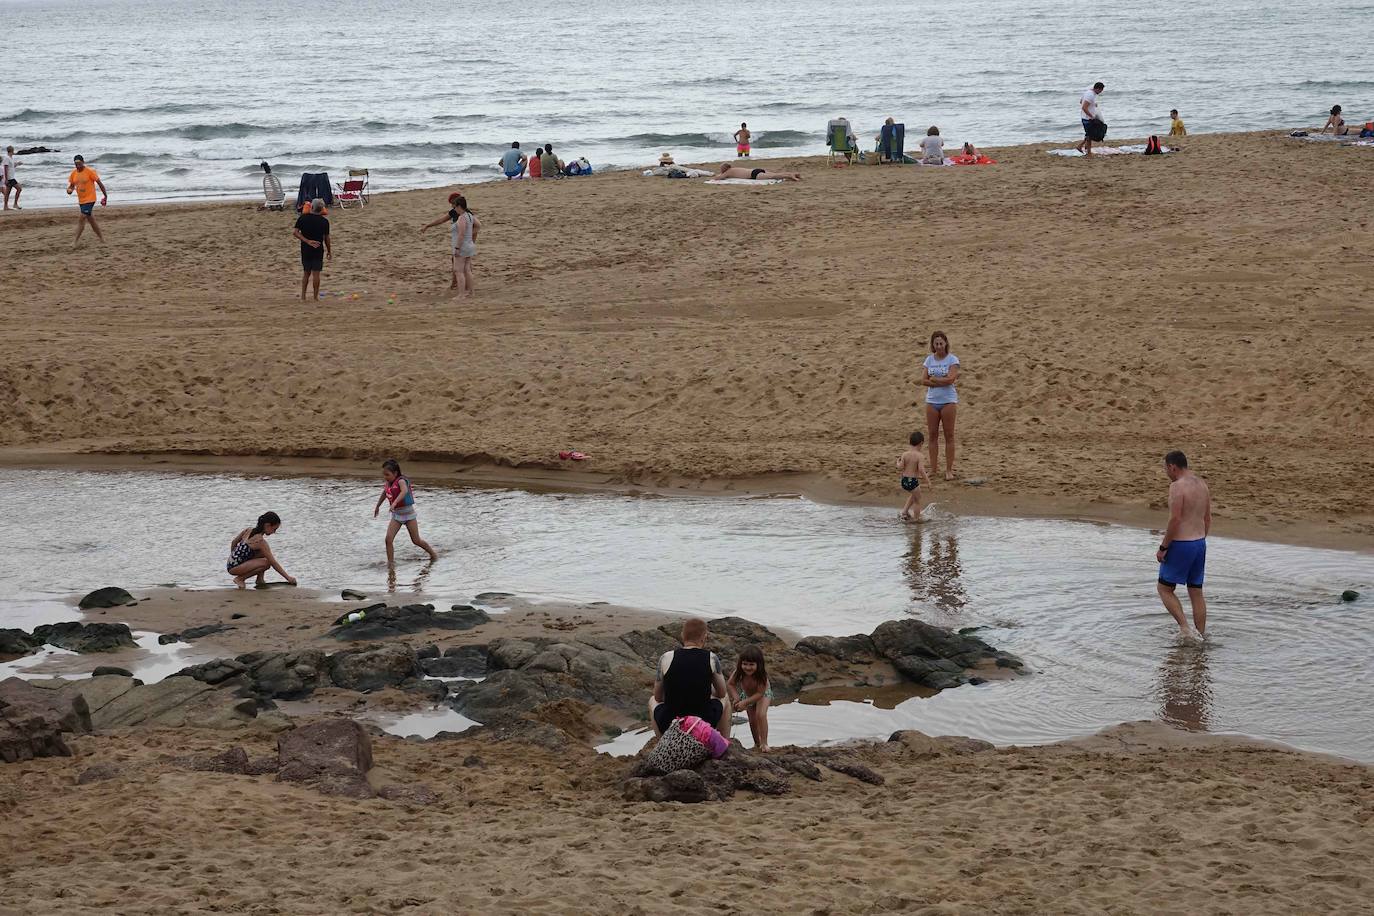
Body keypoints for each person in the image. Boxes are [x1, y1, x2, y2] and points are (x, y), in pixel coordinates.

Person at [1156, 451, 1211, 641]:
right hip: (1199, 543)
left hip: (1182, 544)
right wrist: (1201, 540)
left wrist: (1164, 547)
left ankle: (1186, 629)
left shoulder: (1177, 487)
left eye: (1166, 468)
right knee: (1196, 591)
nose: (1166, 472)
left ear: (1172, 467)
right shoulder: (1202, 484)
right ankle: (1201, 636)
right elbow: (1207, 518)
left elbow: (1175, 520)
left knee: (1164, 589)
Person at [649, 617, 731, 739]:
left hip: (671, 723)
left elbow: (658, 696)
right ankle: (724, 742)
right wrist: (709, 691)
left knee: (652, 700)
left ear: (682, 635)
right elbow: (721, 692)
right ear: (705, 637)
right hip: (702, 723)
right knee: (725, 699)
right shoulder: (711, 658)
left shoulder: (665, 657)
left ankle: (664, 740)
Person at [373, 459, 438, 566]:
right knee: (388, 539)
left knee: (416, 540)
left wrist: (394, 503)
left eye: (387, 475)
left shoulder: (401, 481)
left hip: (409, 515)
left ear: (395, 473)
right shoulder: (388, 483)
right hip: (397, 516)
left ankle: (433, 554)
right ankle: (391, 564)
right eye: (384, 475)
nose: (385, 477)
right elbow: (385, 492)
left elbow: (404, 491)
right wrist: (378, 506)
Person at [420, 192, 479, 294]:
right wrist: (428, 225)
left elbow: (476, 227)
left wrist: (470, 240)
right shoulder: (456, 212)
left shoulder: (464, 215)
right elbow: (441, 220)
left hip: (462, 245)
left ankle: (462, 288)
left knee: (462, 268)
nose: (451, 206)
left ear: (457, 203)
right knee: (463, 266)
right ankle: (463, 287)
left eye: (452, 203)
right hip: (465, 244)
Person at [922, 330, 959, 480]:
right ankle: (933, 468)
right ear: (933, 345)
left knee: (949, 435)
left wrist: (935, 380)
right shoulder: (929, 360)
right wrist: (940, 379)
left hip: (948, 401)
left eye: (941, 343)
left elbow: (951, 379)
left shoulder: (952, 359)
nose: (938, 346)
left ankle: (949, 470)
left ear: (945, 344)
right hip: (932, 401)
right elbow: (924, 380)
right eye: (936, 344)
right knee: (932, 435)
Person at [226, 511, 296, 589]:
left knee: (263, 554)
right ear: (267, 525)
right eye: (274, 529)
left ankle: (259, 579)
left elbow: (234, 542)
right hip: (235, 568)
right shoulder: (260, 541)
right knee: (267, 563)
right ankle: (240, 579)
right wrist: (288, 578)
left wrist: (233, 556)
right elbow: (273, 563)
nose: (274, 532)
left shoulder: (248, 530)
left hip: (230, 563)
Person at [727, 645, 771, 752]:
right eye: (745, 664)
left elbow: (760, 693)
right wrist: (736, 698)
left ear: (758, 665)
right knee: (752, 720)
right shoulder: (739, 672)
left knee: (760, 715)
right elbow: (730, 684)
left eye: (751, 664)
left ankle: (764, 743)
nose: (747, 667)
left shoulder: (761, 675)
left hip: (763, 695)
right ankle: (757, 743)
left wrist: (744, 703)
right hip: (748, 695)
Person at [292, 197, 331, 301]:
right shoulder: (324, 222)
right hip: (318, 248)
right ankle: (315, 297)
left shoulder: (303, 218)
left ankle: (303, 296)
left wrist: (307, 241)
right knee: (316, 273)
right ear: (321, 209)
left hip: (306, 249)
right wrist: (329, 251)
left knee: (306, 273)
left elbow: (295, 232)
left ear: (312, 207)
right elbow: (326, 238)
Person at [66, 155, 107, 245]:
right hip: (81, 200)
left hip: (90, 199)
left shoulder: (90, 171)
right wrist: (69, 190)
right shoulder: (73, 173)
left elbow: (100, 183)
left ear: (83, 162)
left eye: (79, 164)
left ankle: (74, 242)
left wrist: (105, 196)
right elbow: (72, 185)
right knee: (92, 220)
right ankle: (102, 239)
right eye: (76, 164)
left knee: (82, 218)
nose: (78, 166)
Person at [897, 431, 933, 522]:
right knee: (917, 500)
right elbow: (921, 470)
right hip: (913, 481)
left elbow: (900, 467)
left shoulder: (905, 454)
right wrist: (928, 481)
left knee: (914, 494)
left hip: (904, 481)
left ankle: (904, 512)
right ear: (921, 443)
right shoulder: (920, 456)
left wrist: (897, 463)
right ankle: (916, 519)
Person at [1075, 81, 1106, 156]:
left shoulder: (1088, 92)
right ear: (1098, 89)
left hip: (1085, 117)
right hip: (1087, 118)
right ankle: (1086, 151)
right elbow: (1084, 107)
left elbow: (1081, 101)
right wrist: (1091, 116)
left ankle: (1084, 149)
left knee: (1089, 135)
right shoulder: (1091, 95)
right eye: (1101, 90)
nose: (1101, 92)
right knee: (1090, 135)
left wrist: (1093, 104)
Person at [713, 163, 802, 181]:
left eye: (721, 168)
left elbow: (718, 178)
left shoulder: (728, 172)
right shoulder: (733, 169)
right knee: (774, 174)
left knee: (773, 176)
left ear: (724, 169)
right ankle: (792, 173)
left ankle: (790, 176)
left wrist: (718, 175)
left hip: (754, 175)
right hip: (756, 170)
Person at [3, 146, 20, 210]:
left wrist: (17, 164)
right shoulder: (7, 158)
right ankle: (15, 204)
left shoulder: (11, 158)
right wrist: (6, 179)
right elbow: (5, 168)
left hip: (11, 177)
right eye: (13, 151)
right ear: (11, 151)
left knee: (7, 193)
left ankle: (5, 207)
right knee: (19, 188)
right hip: (10, 178)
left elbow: (11, 167)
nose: (14, 152)